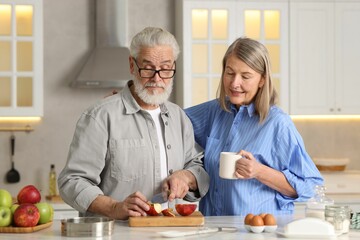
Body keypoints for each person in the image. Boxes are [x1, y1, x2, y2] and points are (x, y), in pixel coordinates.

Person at [58, 27, 210, 220]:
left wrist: (186, 177)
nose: (157, 78)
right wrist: (114, 207)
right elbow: (71, 181)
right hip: (116, 233)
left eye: (165, 69)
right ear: (132, 65)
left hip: (169, 231)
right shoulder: (100, 116)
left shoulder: (178, 117)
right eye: (147, 68)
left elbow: (196, 164)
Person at [185, 37, 323, 216]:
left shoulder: (278, 124)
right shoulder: (215, 111)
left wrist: (259, 171)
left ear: (262, 80)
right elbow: (172, 121)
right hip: (214, 229)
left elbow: (312, 186)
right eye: (229, 73)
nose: (235, 83)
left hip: (260, 232)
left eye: (245, 76)